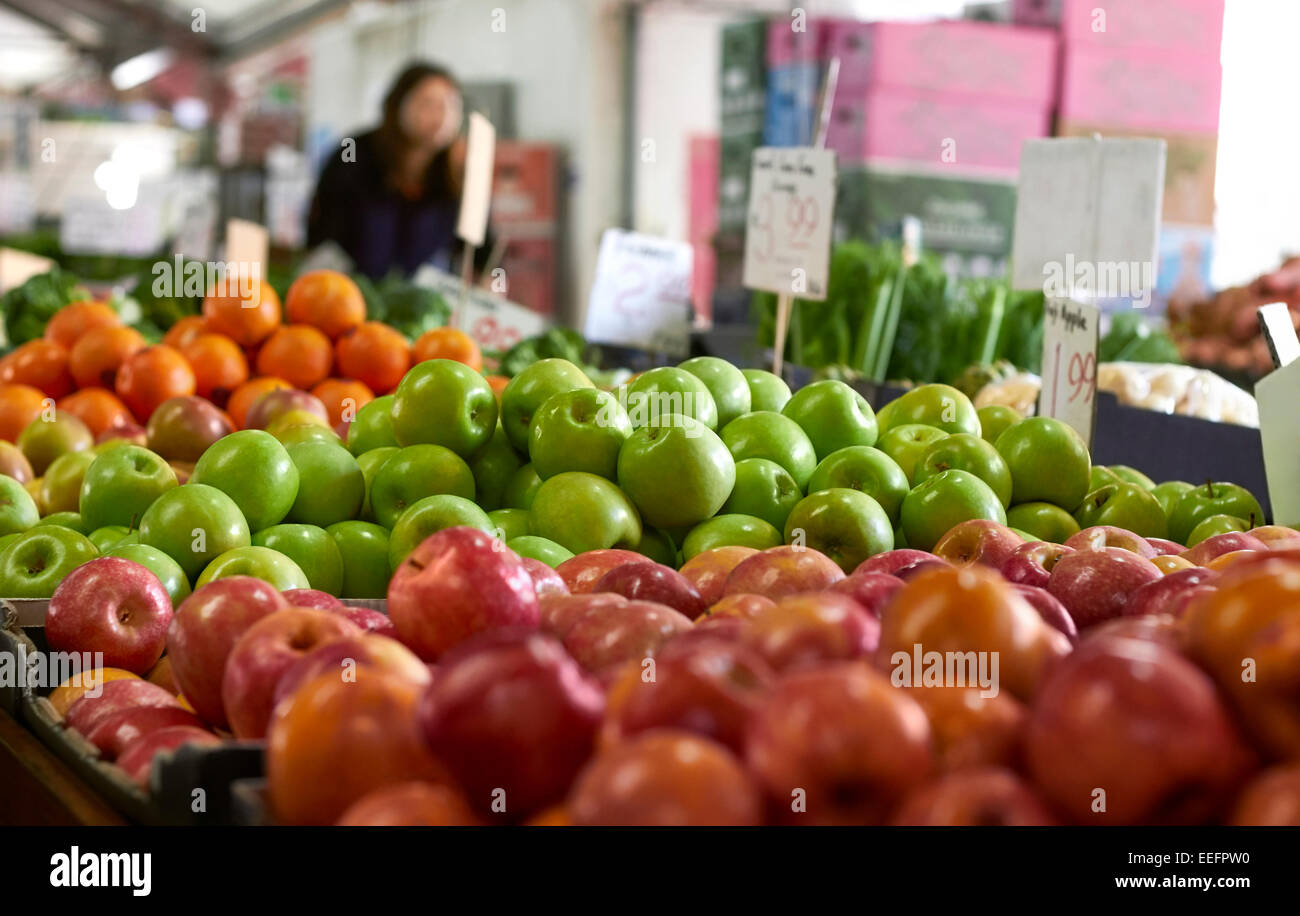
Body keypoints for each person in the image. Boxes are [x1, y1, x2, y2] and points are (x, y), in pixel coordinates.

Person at [307, 62, 486, 279]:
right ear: (398, 103)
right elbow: (321, 233)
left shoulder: (459, 171)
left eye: (451, 105)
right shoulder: (353, 151)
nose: (441, 116)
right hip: (350, 294)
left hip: (421, 301)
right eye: (427, 103)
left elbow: (481, 250)